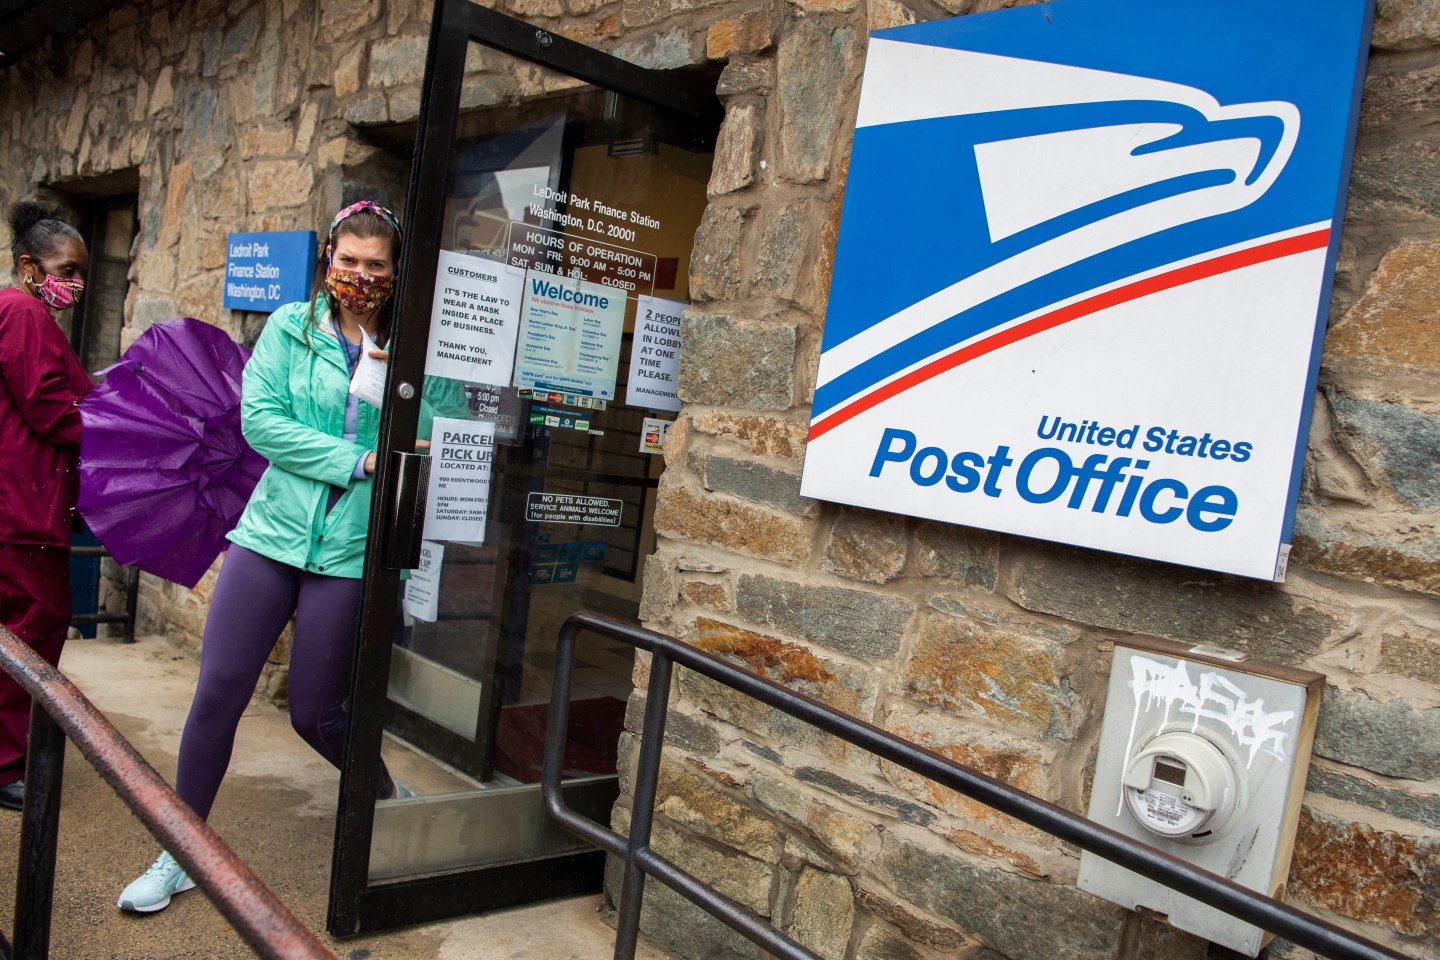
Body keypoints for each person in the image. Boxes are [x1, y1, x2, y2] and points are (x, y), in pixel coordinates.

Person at [119, 200, 421, 913]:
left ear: (396, 272)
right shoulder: (292, 326)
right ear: (329, 261)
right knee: (218, 693)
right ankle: (179, 851)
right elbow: (263, 424)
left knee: (315, 712)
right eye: (349, 261)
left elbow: (424, 438)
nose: (361, 276)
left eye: (376, 265)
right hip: (270, 538)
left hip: (348, 551)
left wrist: (404, 432)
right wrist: (359, 459)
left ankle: (384, 795)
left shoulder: (410, 348)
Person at [0, 203, 91, 811]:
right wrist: (118, 428)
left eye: (84, 271)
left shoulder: (23, 313)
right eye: (68, 268)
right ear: (30, 266)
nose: (79, 284)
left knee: (24, 629)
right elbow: (49, 407)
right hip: (22, 507)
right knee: (33, 630)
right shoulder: (25, 312)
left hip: (24, 500)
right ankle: (8, 764)